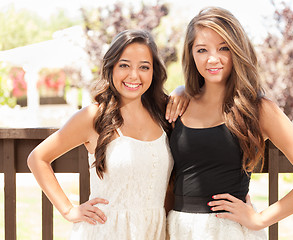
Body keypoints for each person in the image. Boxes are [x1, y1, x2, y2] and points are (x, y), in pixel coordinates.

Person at [166, 6, 293, 240]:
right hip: (178, 229)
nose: (212, 58)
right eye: (202, 50)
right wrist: (181, 89)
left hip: (228, 231)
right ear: (191, 54)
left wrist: (260, 219)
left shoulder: (258, 109)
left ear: (237, 50)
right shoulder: (179, 105)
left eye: (223, 48)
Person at [27, 29, 187, 240]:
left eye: (144, 67)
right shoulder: (94, 116)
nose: (133, 75)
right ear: (111, 67)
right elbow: (37, 159)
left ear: (153, 72)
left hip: (154, 232)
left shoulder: (163, 114)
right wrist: (69, 210)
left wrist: (184, 89)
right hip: (105, 231)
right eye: (124, 65)